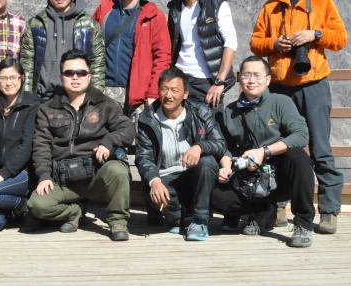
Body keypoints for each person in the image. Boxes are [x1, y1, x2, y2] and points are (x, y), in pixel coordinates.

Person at [250, 0, 348, 234]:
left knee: (320, 147)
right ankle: (279, 205)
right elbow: (255, 42)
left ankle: (329, 210)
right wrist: (274, 44)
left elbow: (341, 39)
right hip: (280, 87)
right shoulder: (271, 7)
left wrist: (314, 35)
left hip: (313, 84)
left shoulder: (322, 2)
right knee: (277, 147)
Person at [27, 50, 135, 241]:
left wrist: (108, 142)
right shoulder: (47, 109)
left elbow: (127, 129)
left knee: (118, 170)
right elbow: (41, 145)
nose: (75, 77)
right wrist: (44, 175)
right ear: (61, 76)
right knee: (37, 205)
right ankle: (74, 212)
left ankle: (118, 221)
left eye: (81, 73)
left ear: (89, 76)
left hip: (95, 174)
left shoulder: (105, 104)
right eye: (69, 73)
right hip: (63, 179)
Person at [211, 56, 315, 248]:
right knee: (215, 194)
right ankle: (262, 212)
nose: (251, 80)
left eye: (257, 75)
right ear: (239, 78)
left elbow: (301, 135)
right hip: (250, 178)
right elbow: (223, 146)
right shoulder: (230, 112)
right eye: (246, 75)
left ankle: (303, 224)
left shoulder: (281, 102)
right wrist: (226, 166)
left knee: (299, 157)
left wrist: (264, 152)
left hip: (280, 175)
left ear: (267, 79)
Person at [135, 68, 225, 241]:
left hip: (193, 175)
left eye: (174, 90)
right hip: (165, 179)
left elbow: (220, 143)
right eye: (164, 89)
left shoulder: (200, 112)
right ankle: (183, 217)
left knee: (207, 162)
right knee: (174, 214)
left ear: (185, 94)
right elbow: (143, 157)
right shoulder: (148, 118)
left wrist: (200, 146)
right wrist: (154, 181)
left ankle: (199, 220)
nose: (168, 95)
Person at [93, 0, 171, 117]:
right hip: (104, 90)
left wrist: (154, 92)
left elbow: (162, 57)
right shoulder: (104, 10)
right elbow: (90, 47)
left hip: (138, 94)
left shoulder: (153, 15)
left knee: (135, 133)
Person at [0, 58, 42, 232]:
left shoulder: (33, 104)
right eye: (3, 78)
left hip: (23, 172)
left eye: (13, 77)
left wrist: (4, 173)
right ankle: (16, 207)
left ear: (22, 78)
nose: (8, 83)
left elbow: (27, 146)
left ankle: (21, 204)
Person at [20, 0, 105, 100]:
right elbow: (27, 64)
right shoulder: (36, 24)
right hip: (42, 98)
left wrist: (95, 98)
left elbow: (97, 63)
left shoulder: (88, 24)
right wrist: (27, 97)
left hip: (78, 98)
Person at [166, 0, 237, 108]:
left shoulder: (215, 3)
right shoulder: (174, 7)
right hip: (180, 78)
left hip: (207, 82)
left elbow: (230, 41)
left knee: (212, 122)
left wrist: (220, 81)